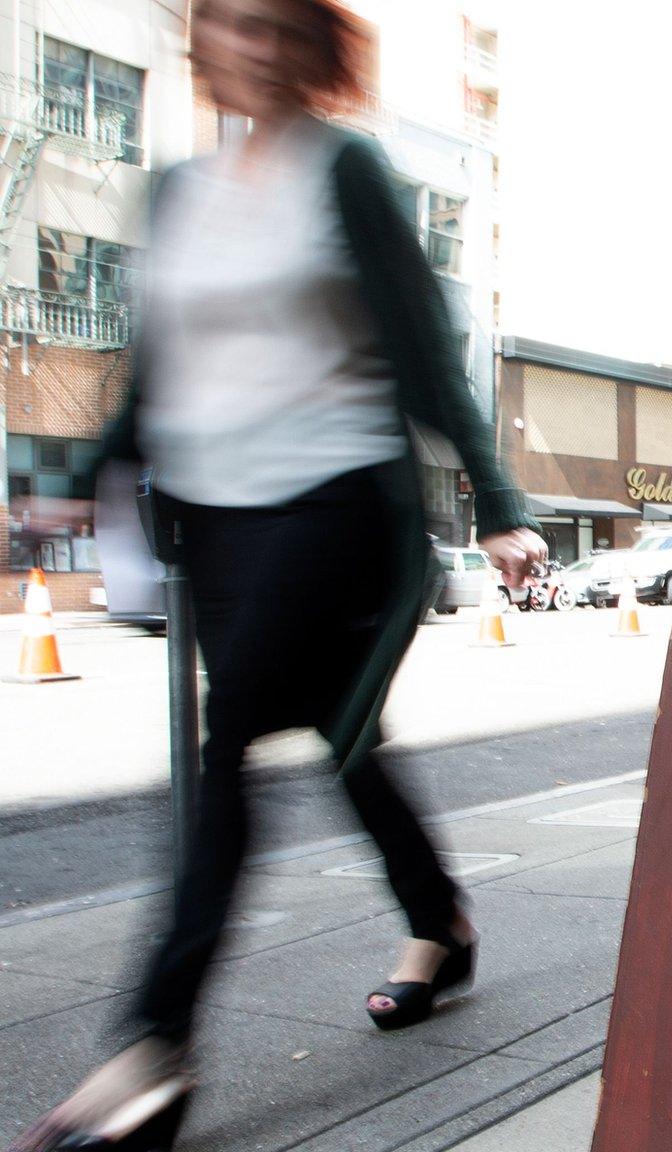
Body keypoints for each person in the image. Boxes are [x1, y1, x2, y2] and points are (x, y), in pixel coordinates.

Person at [8, 0, 546, 1147]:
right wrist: (82, 474)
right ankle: (439, 924)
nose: (246, 44)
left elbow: (421, 341)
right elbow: (155, 367)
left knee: (230, 744)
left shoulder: (342, 171)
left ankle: (156, 1045)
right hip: (218, 521)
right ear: (200, 40)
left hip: (335, 498)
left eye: (270, 24)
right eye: (225, 22)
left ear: (312, 44)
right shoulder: (180, 193)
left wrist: (496, 505)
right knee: (338, 734)